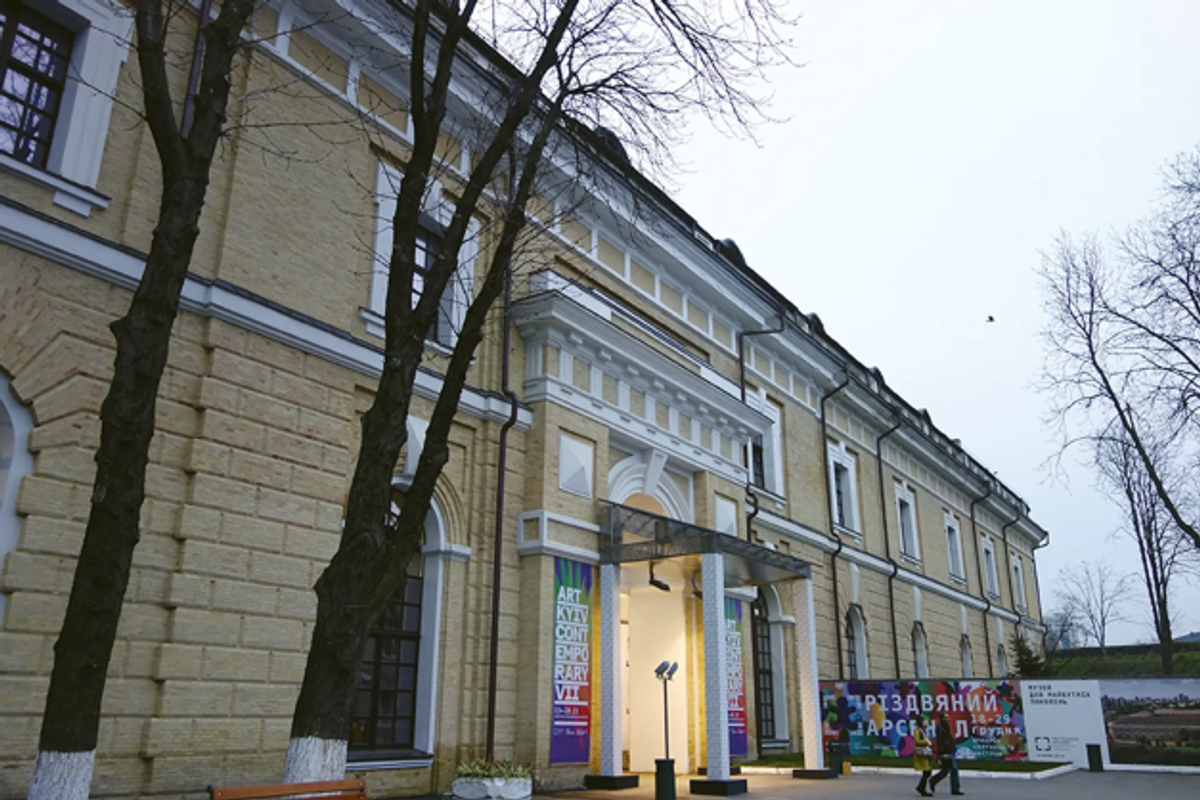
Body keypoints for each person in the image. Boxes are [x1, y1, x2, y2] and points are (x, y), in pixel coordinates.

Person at [930, 714, 964, 796]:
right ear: (942, 718)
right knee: (952, 770)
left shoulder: (946, 727)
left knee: (947, 770)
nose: (948, 719)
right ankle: (954, 789)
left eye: (948, 717)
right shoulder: (940, 727)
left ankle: (934, 781)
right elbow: (940, 741)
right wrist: (942, 753)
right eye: (946, 717)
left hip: (950, 751)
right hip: (946, 752)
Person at [910, 714, 934, 796]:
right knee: (926, 771)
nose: (925, 723)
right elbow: (917, 741)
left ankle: (921, 787)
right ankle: (922, 789)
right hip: (921, 754)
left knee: (927, 771)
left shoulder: (923, 730)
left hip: (925, 753)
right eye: (924, 721)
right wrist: (927, 741)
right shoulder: (917, 731)